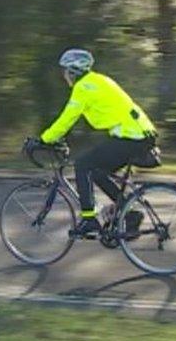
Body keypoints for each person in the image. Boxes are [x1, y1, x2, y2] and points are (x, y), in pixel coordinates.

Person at [27, 48, 157, 237]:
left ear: (73, 71)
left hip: (131, 136)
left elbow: (67, 118)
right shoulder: (99, 80)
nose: (64, 76)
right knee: (96, 171)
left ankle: (89, 219)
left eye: (65, 71)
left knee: (83, 165)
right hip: (140, 134)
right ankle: (130, 213)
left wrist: (44, 139)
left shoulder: (84, 87)